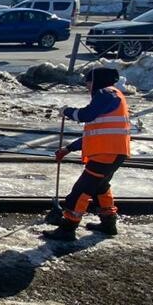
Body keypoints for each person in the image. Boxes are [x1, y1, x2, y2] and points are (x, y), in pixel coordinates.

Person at [44, 67, 130, 241]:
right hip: (113, 152)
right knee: (101, 187)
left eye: (88, 82)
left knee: (81, 190)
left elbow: (86, 115)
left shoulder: (106, 94)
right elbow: (94, 135)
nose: (87, 86)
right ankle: (108, 222)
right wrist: (68, 149)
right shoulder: (112, 97)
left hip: (106, 154)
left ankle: (67, 229)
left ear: (97, 81)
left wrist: (67, 111)